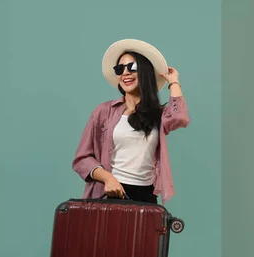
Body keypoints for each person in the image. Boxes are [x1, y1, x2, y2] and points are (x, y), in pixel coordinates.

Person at [72, 39, 190, 205]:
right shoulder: (103, 112)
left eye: (132, 67)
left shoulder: (158, 114)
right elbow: (82, 159)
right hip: (111, 193)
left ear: (145, 72)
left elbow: (180, 118)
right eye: (120, 69)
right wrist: (108, 179)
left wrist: (174, 82)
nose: (125, 73)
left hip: (146, 196)